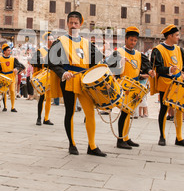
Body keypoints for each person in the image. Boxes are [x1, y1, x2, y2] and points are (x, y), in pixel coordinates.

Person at [49, 11, 107, 157]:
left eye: (76, 23)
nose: (73, 26)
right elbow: (52, 62)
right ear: (67, 24)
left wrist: (111, 57)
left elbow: (98, 61)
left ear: (80, 24)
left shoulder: (87, 44)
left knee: (90, 113)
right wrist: (63, 73)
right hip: (69, 79)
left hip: (85, 81)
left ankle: (92, 146)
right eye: (71, 23)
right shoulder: (60, 42)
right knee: (70, 112)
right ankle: (72, 143)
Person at [105, 27, 154, 150]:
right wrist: (120, 63)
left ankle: (126, 137)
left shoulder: (138, 54)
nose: (133, 43)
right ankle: (120, 139)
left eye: (135, 41)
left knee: (129, 113)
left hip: (135, 87)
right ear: (126, 39)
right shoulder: (119, 52)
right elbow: (107, 64)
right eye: (131, 40)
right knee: (125, 112)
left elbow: (145, 66)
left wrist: (150, 71)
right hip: (123, 87)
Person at [150, 24, 184, 147]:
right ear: (170, 36)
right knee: (164, 109)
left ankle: (179, 137)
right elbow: (157, 67)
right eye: (177, 35)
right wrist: (169, 70)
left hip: (179, 82)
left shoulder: (179, 49)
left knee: (179, 109)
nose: (178, 37)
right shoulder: (157, 50)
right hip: (166, 83)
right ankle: (162, 136)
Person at [32, 32, 55, 126]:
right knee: (42, 97)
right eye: (50, 39)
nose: (51, 41)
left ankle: (46, 118)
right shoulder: (40, 51)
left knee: (49, 98)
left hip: (51, 76)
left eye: (52, 39)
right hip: (43, 76)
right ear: (46, 41)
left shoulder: (55, 51)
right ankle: (39, 117)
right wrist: (43, 58)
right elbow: (34, 61)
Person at [0, 44, 25, 112]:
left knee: (12, 91)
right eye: (8, 50)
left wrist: (16, 69)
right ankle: (5, 106)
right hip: (3, 77)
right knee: (4, 92)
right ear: (4, 51)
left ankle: (12, 107)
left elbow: (19, 66)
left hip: (11, 77)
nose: (10, 51)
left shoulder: (13, 59)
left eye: (10, 50)